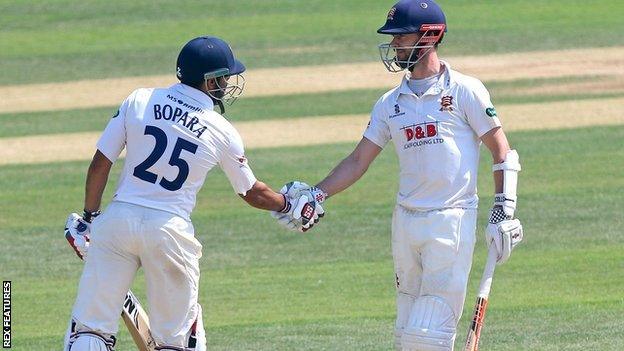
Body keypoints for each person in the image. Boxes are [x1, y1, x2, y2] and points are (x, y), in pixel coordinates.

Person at [275, 0, 523, 349]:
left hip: (450, 219)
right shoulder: (389, 102)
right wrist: (318, 194)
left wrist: (503, 209)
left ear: (430, 36)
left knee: (429, 333)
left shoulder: (465, 90)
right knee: (407, 329)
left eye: (400, 37)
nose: (394, 45)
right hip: (405, 222)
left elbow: (503, 152)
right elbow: (358, 159)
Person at [62, 36, 322, 351]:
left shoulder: (139, 100)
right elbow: (251, 192)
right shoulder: (220, 129)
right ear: (210, 80)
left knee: (90, 331)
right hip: (170, 232)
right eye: (224, 77)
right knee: (175, 342)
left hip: (118, 222)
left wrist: (90, 218)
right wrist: (290, 205)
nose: (227, 83)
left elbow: (100, 165)